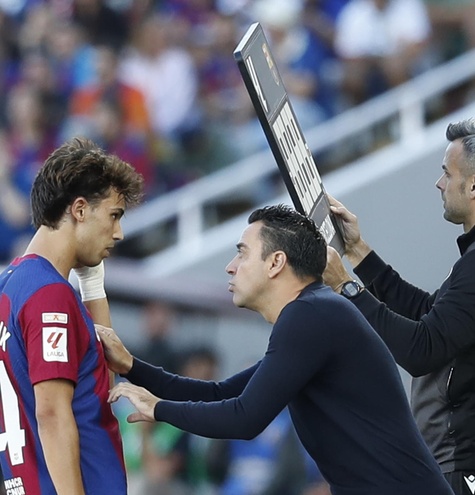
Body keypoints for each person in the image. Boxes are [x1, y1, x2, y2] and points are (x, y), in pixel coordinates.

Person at [98, 204, 454, 495]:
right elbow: (221, 393)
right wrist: (131, 366)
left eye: (242, 253)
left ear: (276, 262)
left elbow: (244, 418)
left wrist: (159, 409)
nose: (231, 266)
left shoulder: (311, 316)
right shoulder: (313, 313)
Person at [322, 118, 475, 495]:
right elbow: (430, 316)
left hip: (462, 467)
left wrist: (345, 285)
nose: (439, 184)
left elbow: (421, 349)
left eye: (446, 173)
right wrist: (358, 252)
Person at [0, 137, 143, 494]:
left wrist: (92, 284)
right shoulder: (49, 295)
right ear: (79, 209)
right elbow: (51, 414)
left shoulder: (11, 284)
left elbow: (99, 390)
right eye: (114, 215)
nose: (119, 232)